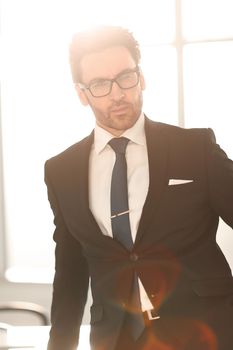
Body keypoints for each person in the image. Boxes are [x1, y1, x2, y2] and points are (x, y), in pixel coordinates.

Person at [44, 26, 233, 350]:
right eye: (100, 84)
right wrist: (60, 345)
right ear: (82, 93)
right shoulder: (62, 170)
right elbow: (70, 270)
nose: (117, 93)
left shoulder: (194, 148)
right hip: (115, 339)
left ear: (141, 77)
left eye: (126, 77)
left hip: (207, 332)